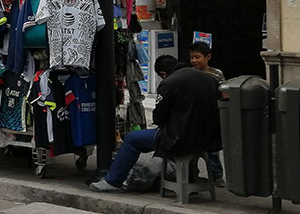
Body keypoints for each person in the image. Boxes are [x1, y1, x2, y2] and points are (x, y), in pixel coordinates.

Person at [90, 55, 222, 192]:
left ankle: (112, 182)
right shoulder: (209, 79)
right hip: (209, 139)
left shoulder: (170, 82)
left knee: (132, 139)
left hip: (180, 139)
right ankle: (190, 178)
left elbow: (158, 117)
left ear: (163, 74)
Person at [189, 42, 226, 186]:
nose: (194, 61)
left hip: (211, 115)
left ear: (208, 57)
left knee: (212, 150)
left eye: (197, 57)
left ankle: (217, 176)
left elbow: (223, 93)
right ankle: (194, 175)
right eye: (192, 57)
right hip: (195, 115)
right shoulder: (190, 73)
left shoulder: (216, 74)